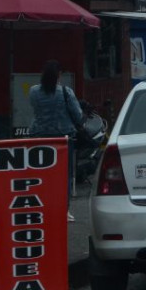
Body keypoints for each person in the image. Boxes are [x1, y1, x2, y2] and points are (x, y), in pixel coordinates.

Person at [29, 59, 84, 222]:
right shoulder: (66, 92)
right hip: (63, 139)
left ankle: (41, 208)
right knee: (64, 176)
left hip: (39, 137)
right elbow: (78, 115)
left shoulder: (33, 91)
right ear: (59, 75)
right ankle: (63, 210)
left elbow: (35, 109)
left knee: (41, 174)